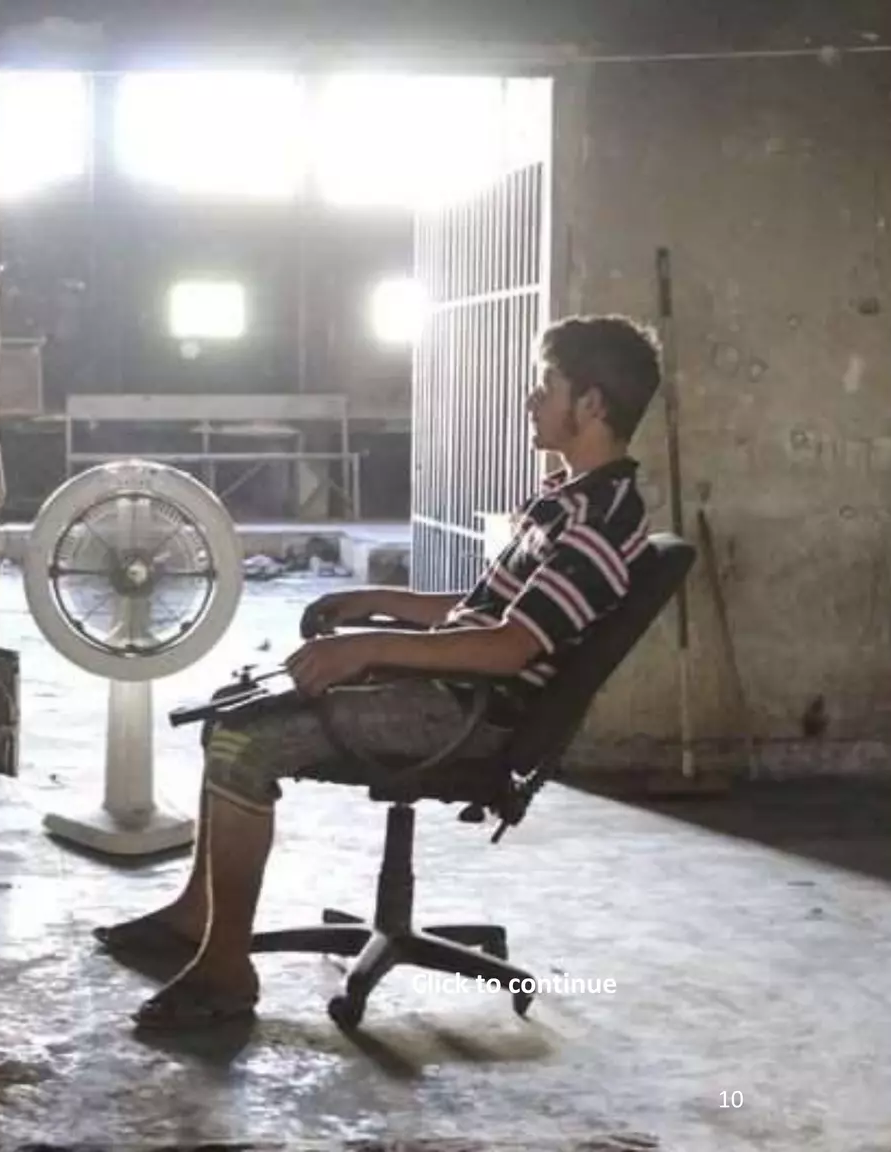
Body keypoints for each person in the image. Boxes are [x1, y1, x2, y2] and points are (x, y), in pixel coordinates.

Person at [94, 314, 662, 1030]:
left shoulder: (604, 519)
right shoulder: (567, 498)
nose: (530, 398)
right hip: (450, 689)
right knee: (234, 703)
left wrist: (366, 648)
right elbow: (480, 609)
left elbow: (507, 648)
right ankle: (196, 916)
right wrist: (371, 605)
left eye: (545, 385)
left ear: (592, 405)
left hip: (468, 716)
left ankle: (225, 971)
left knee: (245, 739)